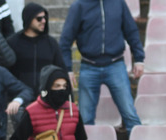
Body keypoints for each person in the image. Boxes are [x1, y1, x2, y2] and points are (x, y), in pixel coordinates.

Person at [59, 0, 144, 133]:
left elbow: (131, 31)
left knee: (130, 115)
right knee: (85, 119)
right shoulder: (79, 6)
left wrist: (139, 58)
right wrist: (68, 69)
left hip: (116, 65)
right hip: (89, 66)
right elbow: (65, 40)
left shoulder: (118, 3)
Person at [6, 3, 65, 96]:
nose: (43, 21)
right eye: (39, 18)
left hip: (46, 99)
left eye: (45, 17)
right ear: (28, 19)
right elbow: (6, 73)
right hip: (20, 98)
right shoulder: (13, 42)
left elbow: (61, 71)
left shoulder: (51, 43)